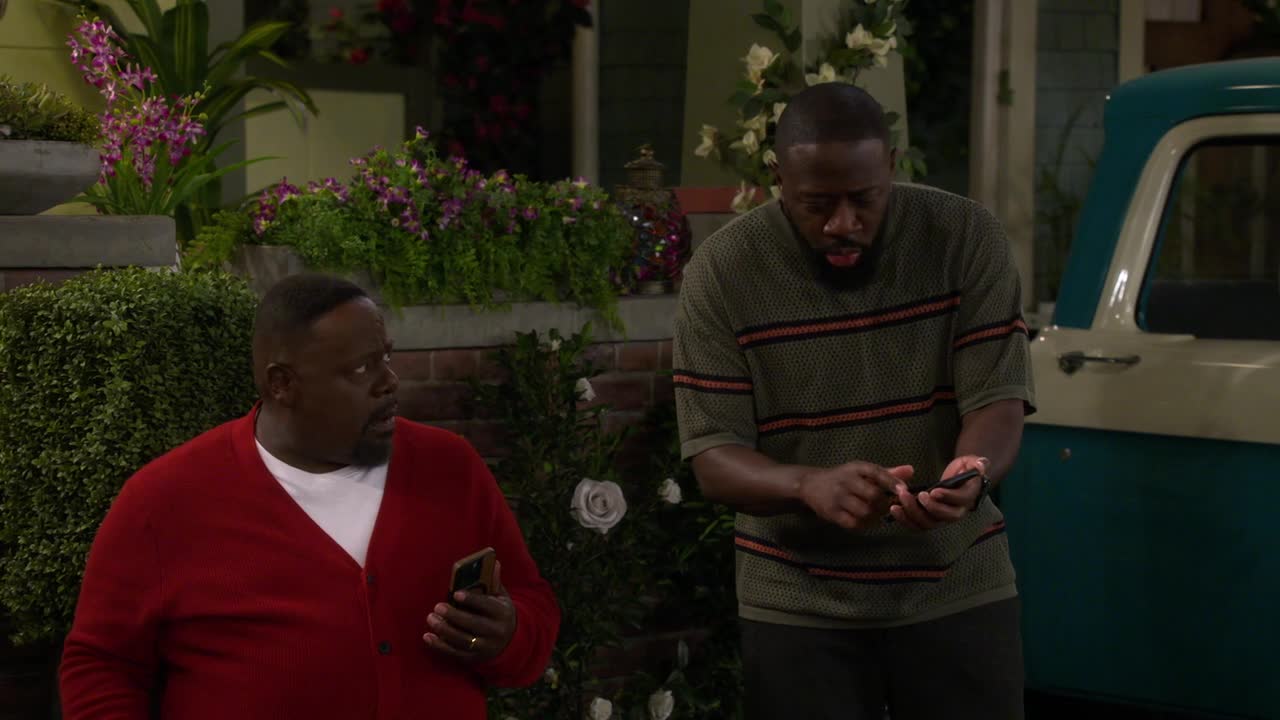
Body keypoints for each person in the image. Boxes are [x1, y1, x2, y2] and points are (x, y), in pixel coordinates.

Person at [673, 82, 1035, 720]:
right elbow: (714, 457)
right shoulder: (723, 271)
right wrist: (807, 484)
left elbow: (997, 399)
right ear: (777, 177)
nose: (843, 223)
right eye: (816, 203)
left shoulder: (963, 236)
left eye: (864, 199)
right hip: (797, 600)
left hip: (956, 584)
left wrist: (972, 470)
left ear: (891, 166)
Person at [60, 273, 560, 719]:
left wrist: (509, 634)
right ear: (282, 384)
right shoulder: (165, 500)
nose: (389, 382)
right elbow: (101, 663)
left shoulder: (449, 467)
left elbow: (532, 603)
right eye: (360, 369)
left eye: (386, 357)